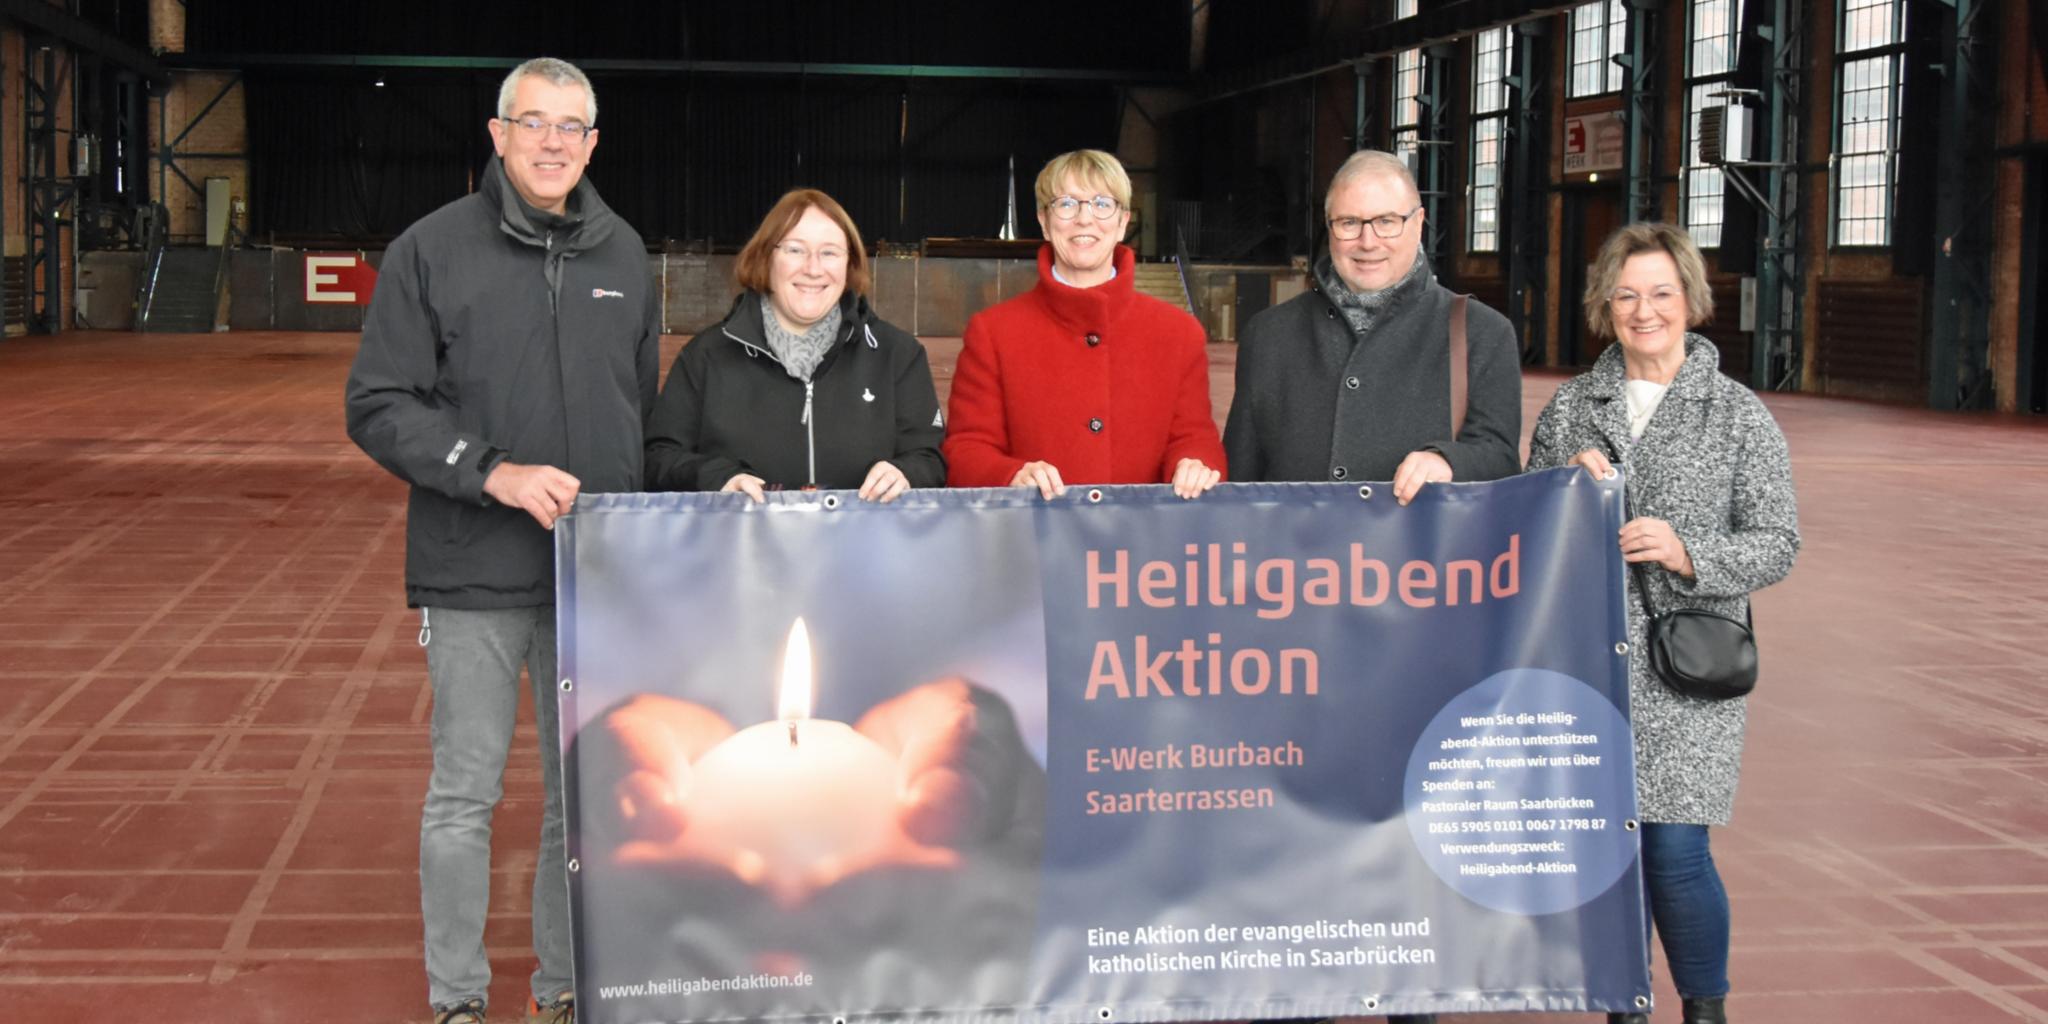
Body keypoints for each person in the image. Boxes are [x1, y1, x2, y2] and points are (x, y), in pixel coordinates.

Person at [345, 56, 658, 1024]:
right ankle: (458, 998)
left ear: (593, 143)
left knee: (580, 803)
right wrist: (492, 471)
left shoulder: (623, 256)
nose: (552, 141)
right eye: (534, 122)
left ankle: (562, 989)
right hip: (472, 571)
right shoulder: (431, 249)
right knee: (464, 796)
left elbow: (636, 408)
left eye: (571, 126)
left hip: (589, 581)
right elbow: (377, 403)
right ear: (498, 134)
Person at [1527, 222, 1799, 1024]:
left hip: (1689, 667)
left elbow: (1778, 542)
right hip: (1593, 664)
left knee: (1676, 851)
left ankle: (1705, 1009)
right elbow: (1524, 527)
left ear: (1691, 302)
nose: (1644, 311)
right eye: (1626, 295)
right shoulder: (1574, 406)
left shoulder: (1740, 416)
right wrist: (1560, 488)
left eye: (1661, 294)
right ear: (1604, 306)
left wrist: (1688, 554)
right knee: (1611, 857)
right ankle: (1626, 1005)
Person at [1224, 150, 1522, 508]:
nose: (1368, 242)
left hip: (1419, 562)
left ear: (1418, 222)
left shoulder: (1484, 332)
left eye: (1386, 221)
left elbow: (1502, 460)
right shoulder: (1268, 335)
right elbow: (1239, 476)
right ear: (1329, 226)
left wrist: (1448, 462)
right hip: (1292, 560)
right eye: (1349, 222)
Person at [943, 149, 1225, 499]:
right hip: (1032, 541)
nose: (1084, 219)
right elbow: (967, 448)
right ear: (1044, 221)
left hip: (1143, 544)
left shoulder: (1179, 333)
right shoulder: (992, 332)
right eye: (1066, 204)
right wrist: (1011, 474)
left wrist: (1192, 464)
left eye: (1102, 204)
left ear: (1123, 222)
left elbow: (1195, 437)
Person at [645, 189, 944, 499]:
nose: (813, 269)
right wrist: (716, 477)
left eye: (829, 252)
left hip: (862, 546)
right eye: (795, 250)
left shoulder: (898, 356)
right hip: (743, 546)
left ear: (849, 264)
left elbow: (930, 458)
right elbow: (659, 458)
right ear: (766, 257)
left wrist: (907, 473)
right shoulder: (705, 356)